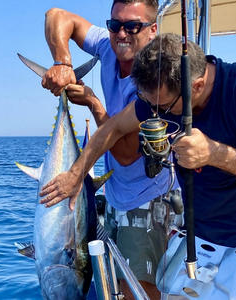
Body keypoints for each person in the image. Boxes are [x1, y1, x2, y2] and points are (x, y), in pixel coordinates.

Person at [40, 33, 236, 299]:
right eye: (147, 103)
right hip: (201, 241)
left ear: (196, 86)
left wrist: (215, 154)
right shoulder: (158, 97)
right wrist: (75, 174)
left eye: (161, 107)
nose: (154, 114)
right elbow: (112, 130)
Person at [41, 2, 181, 299]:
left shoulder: (155, 81)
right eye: (115, 24)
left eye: (133, 27)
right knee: (112, 285)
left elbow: (127, 152)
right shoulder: (108, 45)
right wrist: (63, 63)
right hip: (116, 194)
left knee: (138, 290)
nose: (122, 34)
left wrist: (93, 104)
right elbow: (56, 16)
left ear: (153, 30)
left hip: (147, 200)